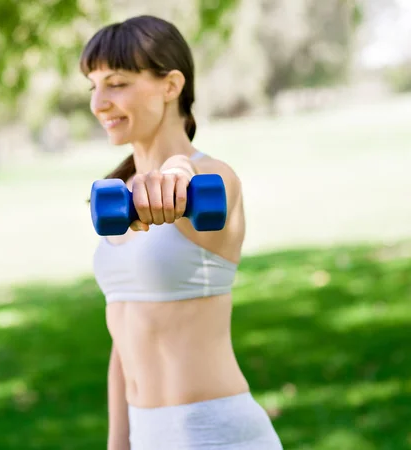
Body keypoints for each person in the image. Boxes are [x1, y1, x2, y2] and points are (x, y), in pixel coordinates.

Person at [80, 15, 284, 450]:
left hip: (214, 434)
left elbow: (188, 174)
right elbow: (126, 336)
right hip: (148, 434)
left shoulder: (213, 177)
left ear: (171, 86)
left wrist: (175, 169)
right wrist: (119, 444)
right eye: (93, 86)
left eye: (116, 83)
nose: (99, 103)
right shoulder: (124, 192)